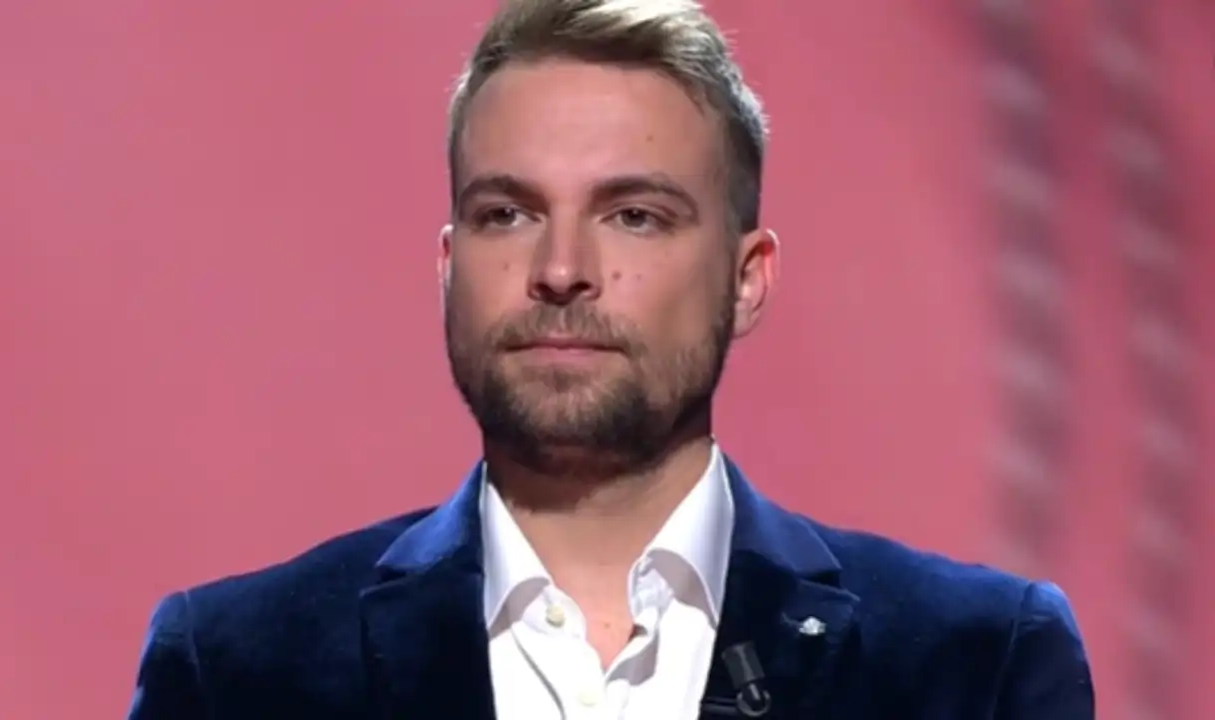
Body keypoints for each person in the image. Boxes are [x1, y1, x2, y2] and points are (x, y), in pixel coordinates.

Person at [126, 0, 1094, 718]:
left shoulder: (975, 667)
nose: (560, 270)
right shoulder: (236, 674)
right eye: (507, 214)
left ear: (745, 279)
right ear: (449, 268)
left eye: (633, 216)